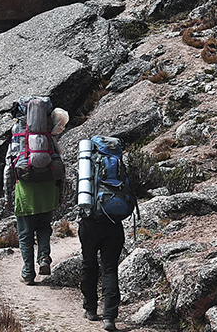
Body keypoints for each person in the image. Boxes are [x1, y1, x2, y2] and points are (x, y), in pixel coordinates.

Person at [3, 106, 68, 284]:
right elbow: (60, 167)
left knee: (25, 234)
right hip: (48, 191)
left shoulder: (18, 139)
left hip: (25, 192)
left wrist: (8, 197)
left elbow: (9, 169)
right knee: (44, 228)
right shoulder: (49, 138)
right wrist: (59, 193)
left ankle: (28, 273)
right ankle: (45, 258)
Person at [78, 136, 130, 331]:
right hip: (114, 222)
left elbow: (81, 194)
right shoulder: (117, 164)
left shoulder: (87, 164)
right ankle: (110, 317)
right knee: (110, 268)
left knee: (89, 264)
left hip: (90, 222)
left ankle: (90, 308)